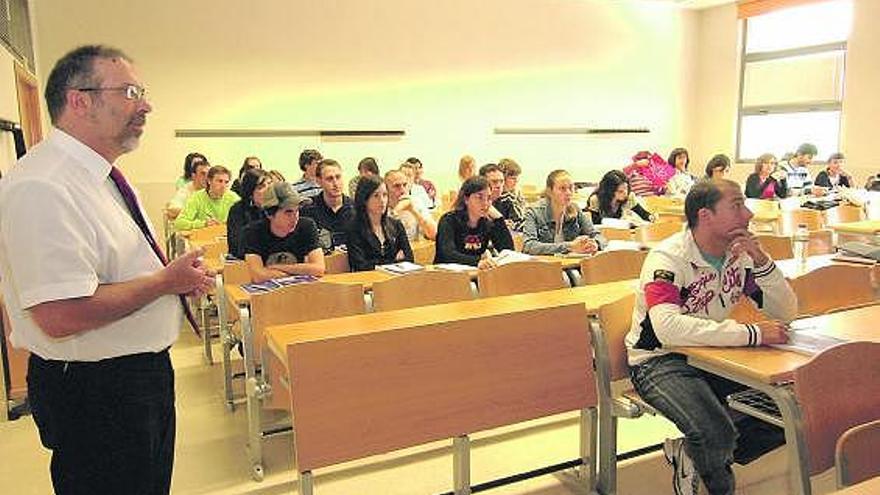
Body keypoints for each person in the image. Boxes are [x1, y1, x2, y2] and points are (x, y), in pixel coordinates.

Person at [0, 45, 214, 495]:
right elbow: (60, 315)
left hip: (137, 379)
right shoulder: (43, 185)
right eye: (130, 92)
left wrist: (175, 280)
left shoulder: (102, 176)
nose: (146, 105)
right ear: (80, 100)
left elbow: (119, 267)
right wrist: (163, 282)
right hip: (97, 392)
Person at [626, 179, 797, 495]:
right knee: (715, 431)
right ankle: (715, 472)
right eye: (736, 206)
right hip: (659, 360)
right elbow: (667, 329)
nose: (748, 215)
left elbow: (785, 312)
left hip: (712, 354)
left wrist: (762, 262)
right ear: (705, 215)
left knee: (790, 406)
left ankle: (695, 451)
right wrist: (751, 333)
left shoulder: (739, 257)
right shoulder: (669, 258)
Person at [241, 181, 325, 282]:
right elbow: (258, 276)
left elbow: (319, 268)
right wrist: (302, 270)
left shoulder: (307, 226)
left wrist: (278, 268)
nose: (295, 218)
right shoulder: (253, 232)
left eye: (297, 210)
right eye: (288, 212)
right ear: (270, 214)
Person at [434, 176, 514, 269]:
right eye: (479, 197)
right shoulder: (448, 221)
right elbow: (448, 255)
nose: (485, 203)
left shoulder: (487, 223)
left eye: (488, 198)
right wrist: (477, 262)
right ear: (466, 199)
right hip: (447, 276)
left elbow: (508, 251)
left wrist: (499, 218)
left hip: (475, 275)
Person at [522, 169, 605, 255]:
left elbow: (598, 236)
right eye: (562, 188)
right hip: (544, 266)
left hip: (570, 265)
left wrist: (595, 244)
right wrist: (570, 246)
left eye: (571, 188)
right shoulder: (534, 212)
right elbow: (529, 247)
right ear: (550, 191)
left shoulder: (576, 209)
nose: (568, 193)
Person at [346, 175, 413, 271]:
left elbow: (409, 259)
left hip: (396, 281)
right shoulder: (354, 228)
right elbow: (360, 266)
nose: (382, 201)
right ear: (365, 199)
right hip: (369, 282)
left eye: (385, 195)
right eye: (376, 196)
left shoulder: (396, 225)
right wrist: (394, 260)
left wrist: (377, 263)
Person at [299, 158, 354, 250]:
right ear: (318, 181)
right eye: (330, 179)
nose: (336, 183)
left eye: (338, 177)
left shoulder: (356, 209)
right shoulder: (308, 210)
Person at [173, 165, 240, 231]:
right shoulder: (197, 197)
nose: (223, 186)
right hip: (203, 238)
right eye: (219, 181)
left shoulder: (233, 198)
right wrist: (204, 224)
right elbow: (179, 223)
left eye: (226, 182)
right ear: (209, 181)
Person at [226, 168, 270, 259]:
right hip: (244, 261)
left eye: (269, 185)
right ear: (250, 192)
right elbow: (238, 245)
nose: (268, 190)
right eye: (261, 187)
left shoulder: (277, 208)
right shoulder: (238, 210)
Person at [385, 169, 437, 242]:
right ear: (386, 189)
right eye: (396, 186)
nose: (403, 190)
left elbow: (434, 235)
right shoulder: (380, 206)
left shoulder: (415, 202)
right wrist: (395, 211)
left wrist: (413, 210)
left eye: (405, 185)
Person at [586, 170, 653, 225]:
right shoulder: (596, 200)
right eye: (620, 191)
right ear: (610, 191)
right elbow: (596, 224)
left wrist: (650, 217)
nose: (625, 193)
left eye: (626, 189)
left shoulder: (629, 196)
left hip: (622, 232)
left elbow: (642, 213)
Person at [480, 162, 524, 230]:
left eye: (501, 181)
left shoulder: (508, 200)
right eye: (494, 182)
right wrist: (499, 224)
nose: (499, 186)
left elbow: (523, 224)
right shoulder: (473, 201)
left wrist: (512, 225)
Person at [499, 158, 527, 224]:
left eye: (517, 178)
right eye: (512, 178)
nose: (516, 181)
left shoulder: (517, 194)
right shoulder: (505, 197)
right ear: (503, 178)